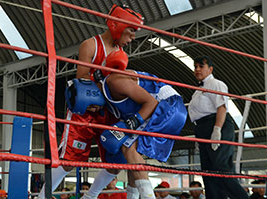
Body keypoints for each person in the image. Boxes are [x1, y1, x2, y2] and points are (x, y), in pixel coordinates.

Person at [38, 4, 143, 199]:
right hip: (84, 113)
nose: (133, 37)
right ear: (118, 26)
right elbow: (83, 82)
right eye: (131, 30)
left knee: (116, 160)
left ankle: (90, 197)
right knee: (69, 161)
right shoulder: (91, 45)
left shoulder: (122, 55)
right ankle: (41, 197)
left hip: (108, 113)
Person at [66, 50, 187, 198]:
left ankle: (148, 196)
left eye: (90, 106)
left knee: (128, 147)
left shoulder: (115, 81)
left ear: (88, 94)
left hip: (167, 106)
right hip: (166, 111)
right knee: (126, 157)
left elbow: (151, 102)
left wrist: (129, 124)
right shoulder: (109, 101)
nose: (93, 110)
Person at [188, 55, 249, 199]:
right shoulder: (198, 90)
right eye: (195, 67)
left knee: (220, 168)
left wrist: (217, 130)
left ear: (210, 69)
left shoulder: (216, 84)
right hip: (203, 128)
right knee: (208, 173)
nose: (197, 69)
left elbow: (222, 108)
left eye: (201, 66)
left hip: (216, 124)